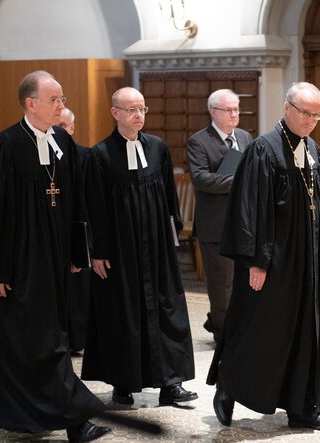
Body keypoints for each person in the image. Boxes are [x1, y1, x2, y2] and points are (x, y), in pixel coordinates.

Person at [0, 70, 110, 441]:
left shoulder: (61, 140)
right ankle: (61, 418)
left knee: (49, 339)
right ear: (32, 104)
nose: (63, 105)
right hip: (18, 265)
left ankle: (42, 415)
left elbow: (74, 203)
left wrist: (77, 251)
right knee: (23, 344)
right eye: (55, 99)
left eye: (62, 98)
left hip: (54, 260)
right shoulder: (6, 146)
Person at [207, 82, 320, 431]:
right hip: (273, 259)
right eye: (304, 113)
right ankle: (229, 386)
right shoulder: (263, 150)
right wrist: (257, 260)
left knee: (306, 331)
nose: (310, 121)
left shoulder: (313, 149)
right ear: (287, 108)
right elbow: (251, 208)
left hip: (306, 259)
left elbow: (319, 207)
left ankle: (303, 407)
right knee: (262, 331)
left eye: (316, 115)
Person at [81, 86, 197, 407]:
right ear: (115, 112)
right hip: (120, 249)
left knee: (166, 309)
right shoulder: (100, 154)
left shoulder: (158, 148)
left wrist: (172, 231)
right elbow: (95, 207)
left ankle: (171, 384)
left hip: (157, 247)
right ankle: (123, 383)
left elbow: (170, 199)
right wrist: (99, 251)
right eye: (131, 109)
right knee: (123, 313)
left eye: (142, 109)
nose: (138, 115)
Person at [186, 89, 253, 342]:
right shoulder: (199, 141)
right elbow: (201, 179)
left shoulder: (245, 137)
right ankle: (224, 336)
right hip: (216, 225)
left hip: (243, 222)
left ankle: (226, 324)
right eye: (229, 110)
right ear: (213, 111)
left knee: (242, 281)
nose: (235, 114)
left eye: (237, 109)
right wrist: (237, 181)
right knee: (222, 284)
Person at [58, 107, 91, 354]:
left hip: (79, 229)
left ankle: (78, 339)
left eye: (64, 127)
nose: (60, 131)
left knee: (79, 289)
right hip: (52, 232)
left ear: (72, 128)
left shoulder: (86, 157)